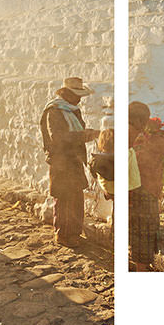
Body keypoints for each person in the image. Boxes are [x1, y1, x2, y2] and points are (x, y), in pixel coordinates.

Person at [40, 77, 100, 247]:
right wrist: (85, 135)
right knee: (64, 198)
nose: (80, 99)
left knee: (75, 198)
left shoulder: (72, 110)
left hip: (73, 160)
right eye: (77, 95)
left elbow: (75, 133)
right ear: (67, 94)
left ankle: (73, 233)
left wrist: (88, 134)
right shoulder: (54, 112)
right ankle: (63, 235)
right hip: (60, 162)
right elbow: (58, 138)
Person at [128, 101, 164, 271]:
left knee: (130, 228)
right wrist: (157, 134)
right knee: (144, 231)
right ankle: (141, 271)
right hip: (145, 191)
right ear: (142, 120)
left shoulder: (118, 134)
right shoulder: (151, 138)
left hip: (125, 191)